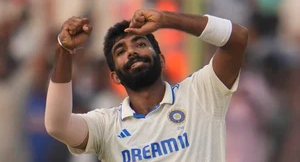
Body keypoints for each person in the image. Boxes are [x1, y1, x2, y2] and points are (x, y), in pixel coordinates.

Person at [45, 9, 248, 162]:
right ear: (115, 77)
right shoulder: (107, 125)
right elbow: (57, 125)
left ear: (161, 59)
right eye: (120, 51)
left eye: (140, 44)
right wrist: (64, 50)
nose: (132, 52)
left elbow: (238, 37)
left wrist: (166, 19)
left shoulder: (201, 94)